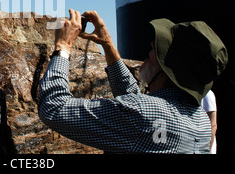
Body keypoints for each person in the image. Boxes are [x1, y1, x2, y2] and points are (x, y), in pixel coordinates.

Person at [38, 9, 228, 153]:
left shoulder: (143, 113)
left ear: (167, 68)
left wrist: (63, 46)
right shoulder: (201, 122)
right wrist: (108, 45)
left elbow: (55, 108)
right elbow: (135, 103)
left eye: (155, 51)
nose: (149, 51)